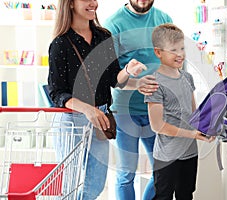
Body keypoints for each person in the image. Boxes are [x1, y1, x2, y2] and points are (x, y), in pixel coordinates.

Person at [47, 0, 157, 199]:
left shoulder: (103, 36)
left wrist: (128, 71)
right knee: (68, 186)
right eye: (86, 0)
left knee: (95, 185)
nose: (93, 3)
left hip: (101, 117)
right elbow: (57, 93)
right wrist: (88, 110)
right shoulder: (60, 43)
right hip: (72, 120)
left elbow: (114, 79)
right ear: (70, 4)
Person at [103, 0, 173, 199]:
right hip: (125, 109)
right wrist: (136, 82)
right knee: (126, 174)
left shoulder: (164, 20)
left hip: (156, 108)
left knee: (162, 171)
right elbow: (112, 78)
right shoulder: (113, 25)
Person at [144, 23, 215, 200]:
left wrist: (206, 129)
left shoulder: (187, 77)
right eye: (173, 50)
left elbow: (194, 114)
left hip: (190, 153)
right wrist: (192, 134)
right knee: (163, 196)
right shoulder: (154, 83)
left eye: (182, 48)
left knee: (186, 195)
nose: (180, 54)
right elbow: (157, 126)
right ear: (158, 52)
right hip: (167, 157)